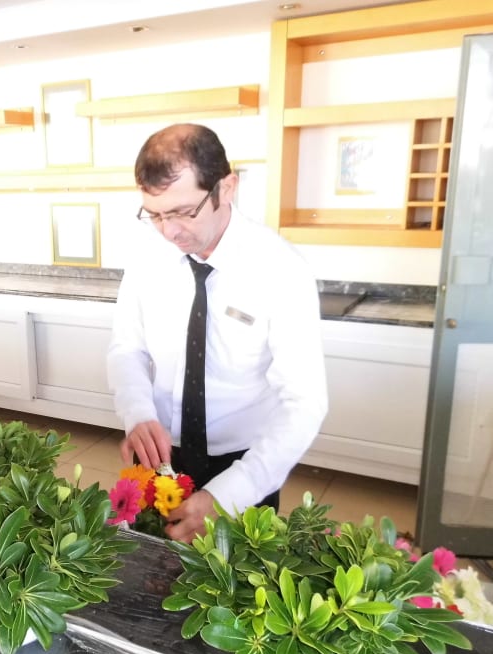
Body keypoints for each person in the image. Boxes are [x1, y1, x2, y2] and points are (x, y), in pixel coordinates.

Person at [106, 123, 328, 544]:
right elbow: (126, 349)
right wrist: (137, 412)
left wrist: (231, 494)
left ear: (226, 188)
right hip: (161, 456)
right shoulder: (148, 258)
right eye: (155, 215)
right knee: (156, 569)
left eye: (183, 212)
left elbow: (304, 401)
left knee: (233, 579)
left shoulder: (281, 269)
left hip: (244, 465)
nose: (169, 231)